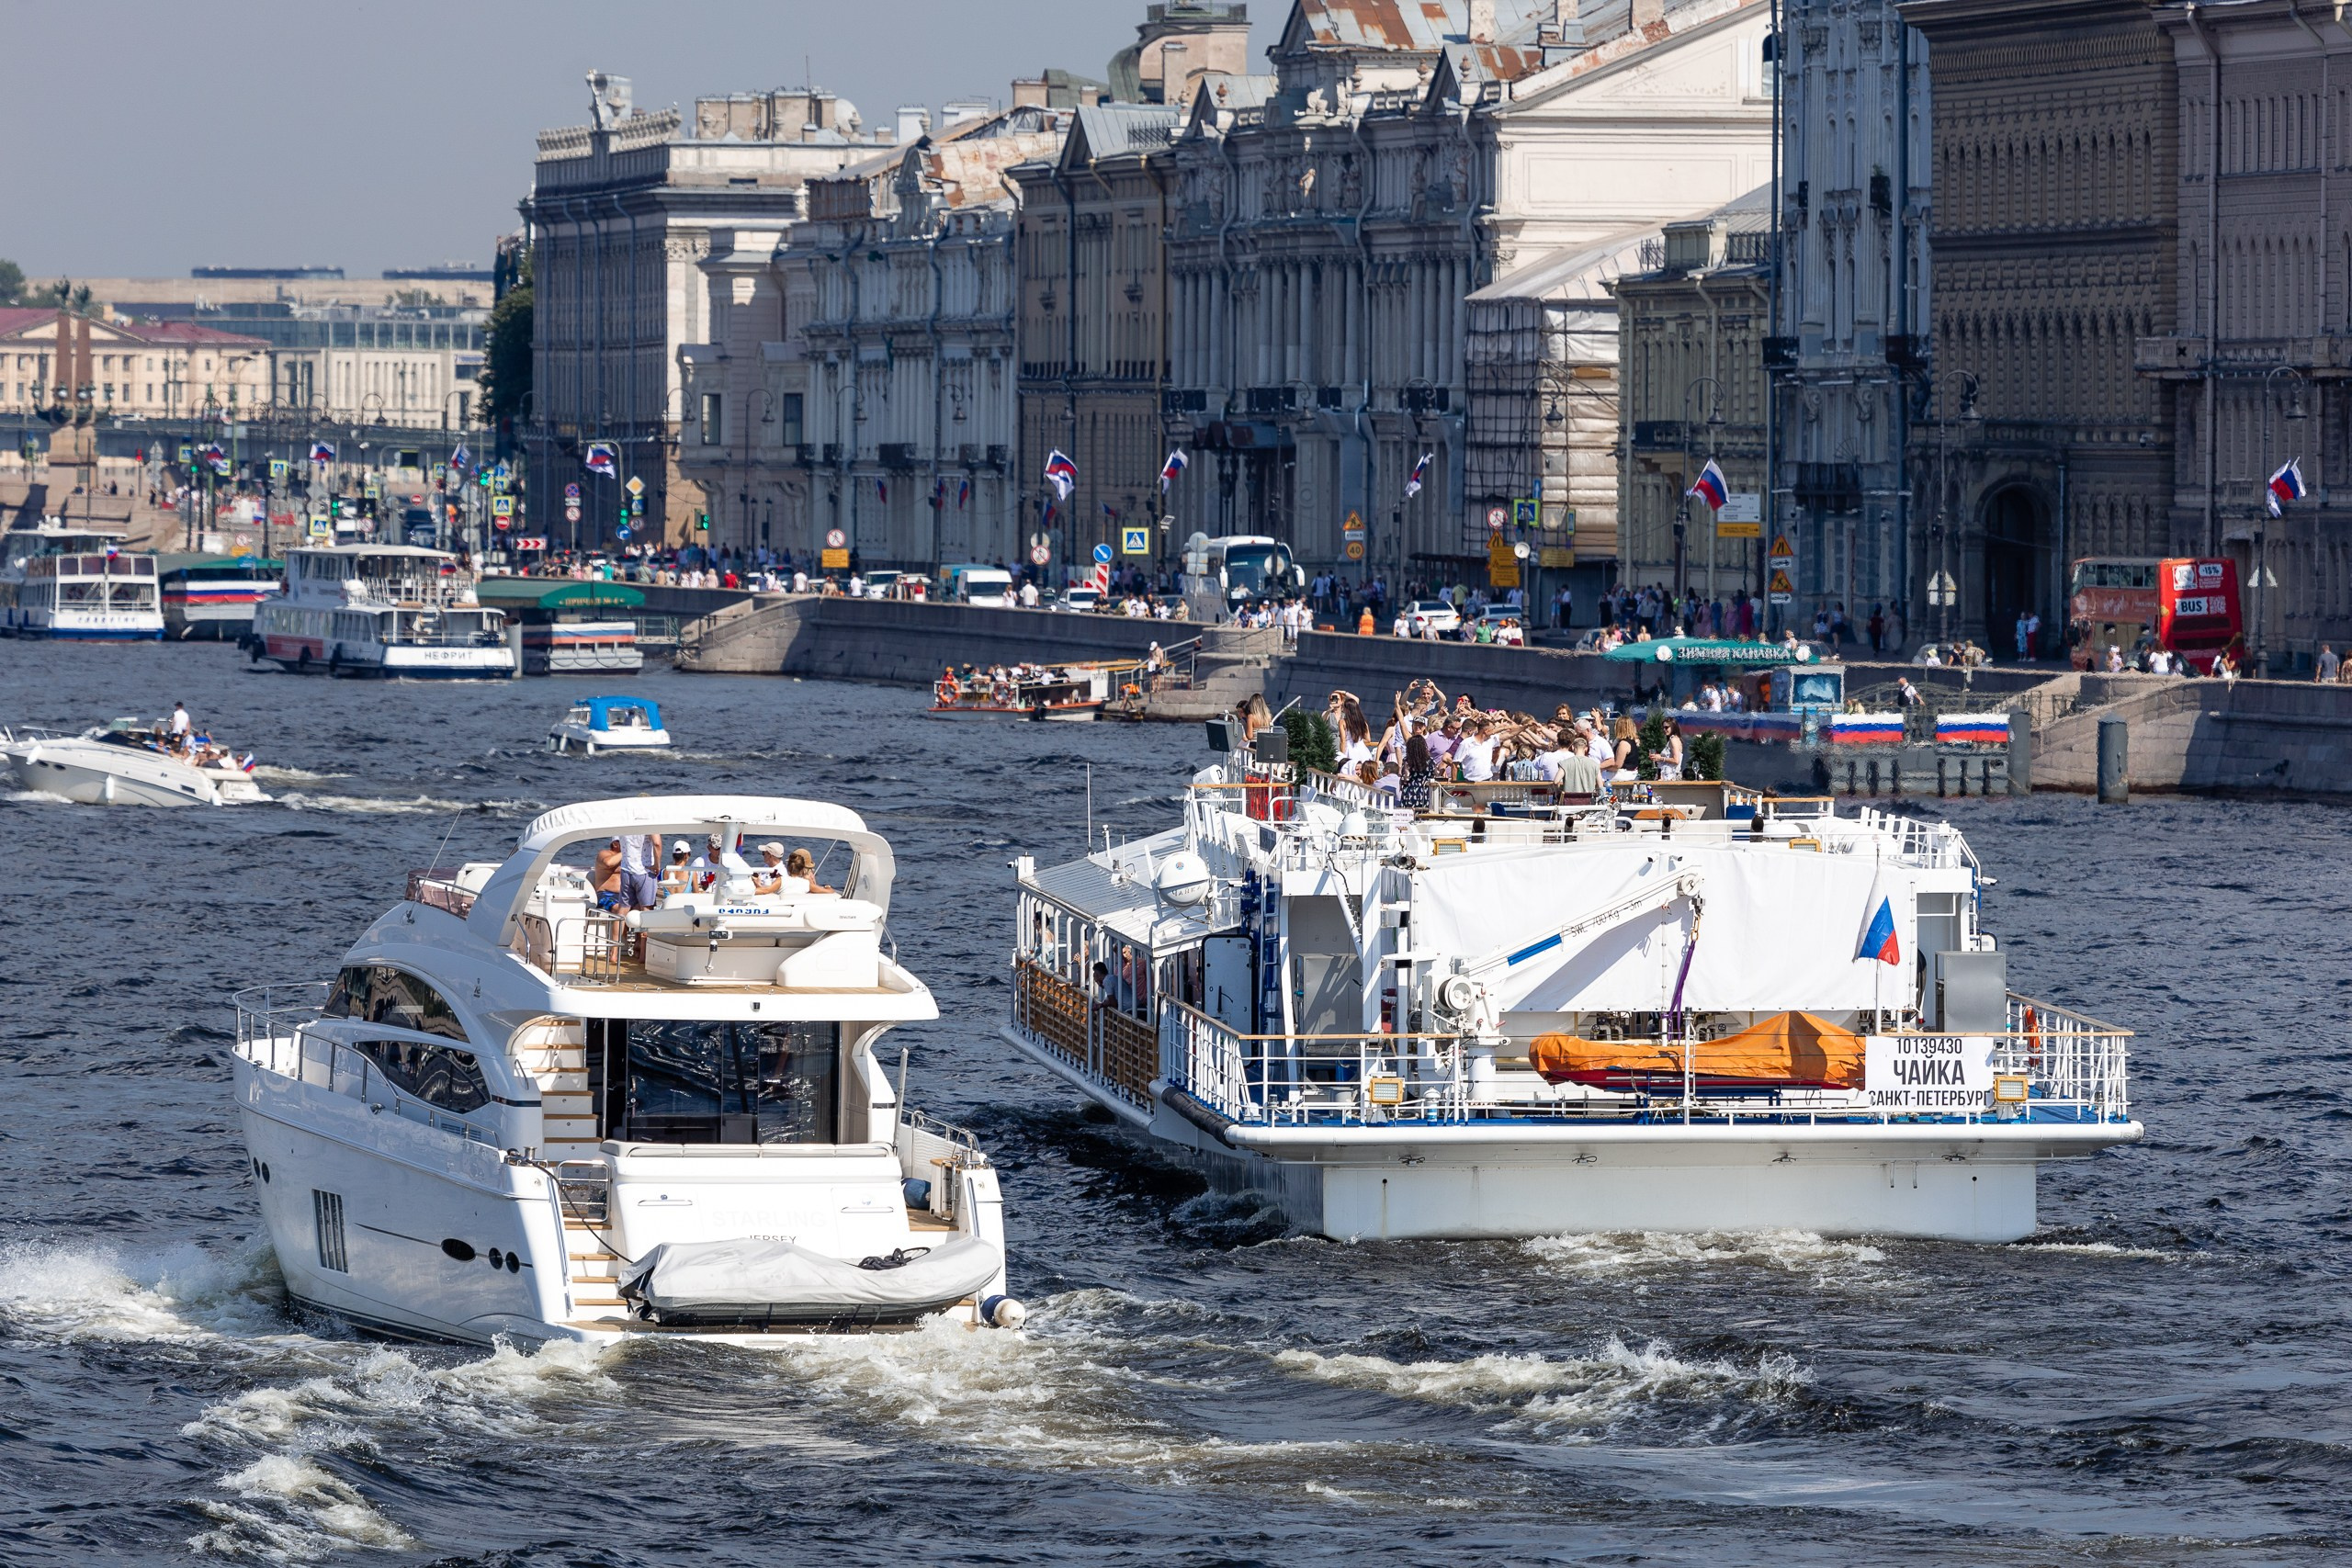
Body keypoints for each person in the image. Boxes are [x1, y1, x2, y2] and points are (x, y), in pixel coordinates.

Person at [618, 832, 661, 910]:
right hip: (644, 870)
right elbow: (657, 843)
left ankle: (620, 922)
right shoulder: (650, 822)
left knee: (623, 908)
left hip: (626, 868)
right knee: (646, 909)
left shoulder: (625, 820)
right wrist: (657, 865)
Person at [1396, 732, 1436, 811]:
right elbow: (1434, 775)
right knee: (1424, 814)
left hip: (1410, 792)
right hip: (1425, 792)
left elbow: (1405, 779)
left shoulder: (1408, 761)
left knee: (1409, 815)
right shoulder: (1431, 761)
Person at [592, 838, 627, 914]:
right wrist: (626, 850)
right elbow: (608, 863)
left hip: (626, 894)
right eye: (624, 841)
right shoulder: (604, 853)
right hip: (607, 894)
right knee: (621, 910)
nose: (628, 843)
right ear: (614, 844)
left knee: (642, 909)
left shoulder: (630, 857)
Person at [1654, 716, 1685, 782]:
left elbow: (1676, 760)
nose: (1664, 730)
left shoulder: (1674, 740)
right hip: (1667, 775)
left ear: (1673, 727)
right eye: (1663, 728)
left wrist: (1660, 758)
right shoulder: (1673, 739)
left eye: (1666, 727)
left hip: (1670, 776)